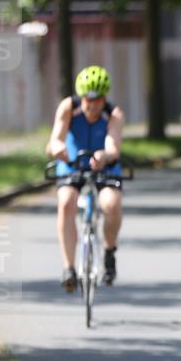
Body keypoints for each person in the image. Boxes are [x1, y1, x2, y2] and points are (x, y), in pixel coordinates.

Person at [45, 65, 126, 292]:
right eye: (88, 100)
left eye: (98, 100)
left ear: (104, 98)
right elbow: (54, 141)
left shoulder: (114, 115)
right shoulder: (68, 108)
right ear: (81, 97)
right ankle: (69, 268)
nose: (92, 105)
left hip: (103, 165)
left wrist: (105, 155)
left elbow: (113, 146)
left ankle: (109, 253)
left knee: (111, 203)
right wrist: (58, 148)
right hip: (72, 163)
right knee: (66, 202)